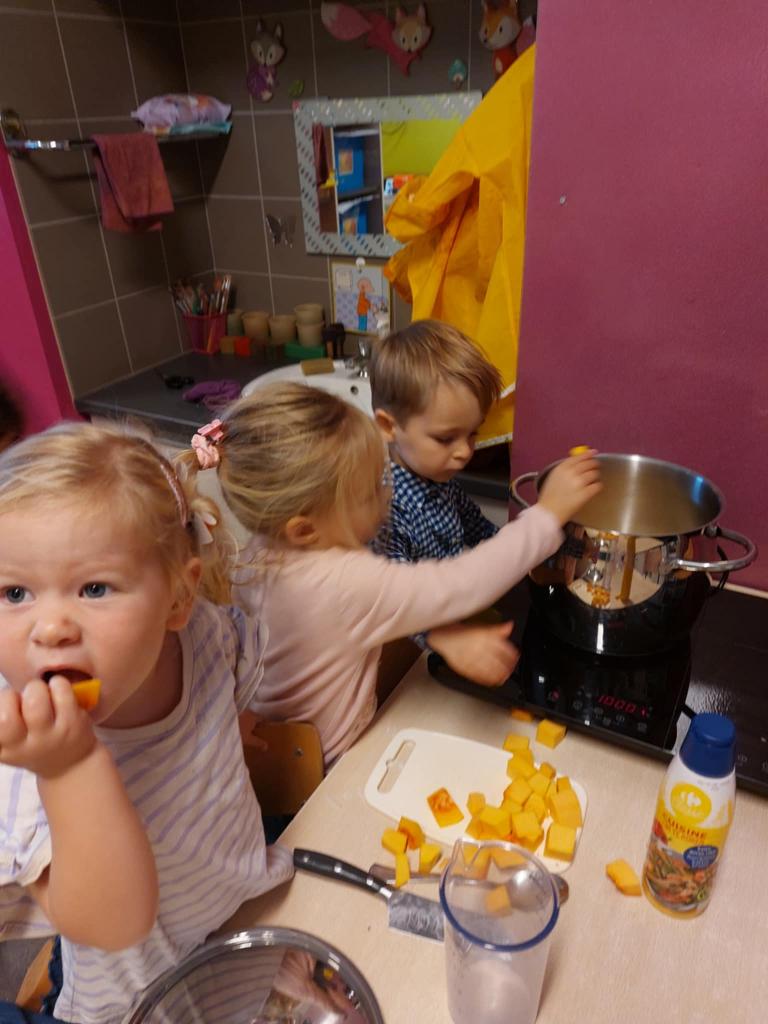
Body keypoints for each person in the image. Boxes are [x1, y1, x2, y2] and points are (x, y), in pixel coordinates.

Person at [0, 422, 292, 1024]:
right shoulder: (27, 758)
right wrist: (69, 767)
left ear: (178, 600)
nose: (49, 628)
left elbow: (228, 712)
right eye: (14, 594)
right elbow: (113, 925)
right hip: (136, 995)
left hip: (238, 914)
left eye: (94, 587)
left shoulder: (208, 635)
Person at [178, 383, 600, 769]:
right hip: (328, 767)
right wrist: (548, 514)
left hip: (274, 753)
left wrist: (438, 634)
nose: (388, 494)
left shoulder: (260, 551)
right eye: (371, 491)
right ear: (304, 529)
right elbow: (464, 582)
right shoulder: (344, 581)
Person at [369, 319, 520, 686]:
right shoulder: (383, 509)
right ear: (389, 427)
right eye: (445, 438)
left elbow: (479, 528)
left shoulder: (441, 482)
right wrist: (446, 637)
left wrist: (521, 553)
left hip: (441, 633)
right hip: (398, 655)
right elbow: (395, 599)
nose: (465, 452)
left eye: (472, 434)